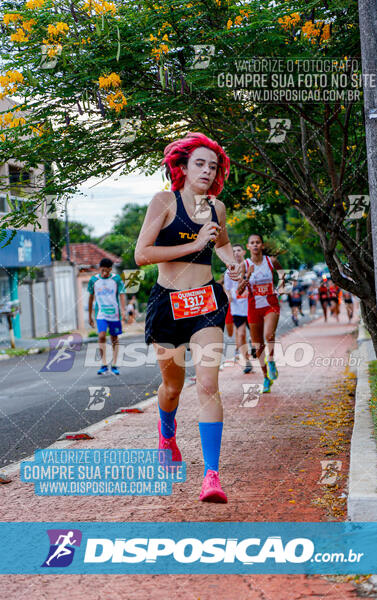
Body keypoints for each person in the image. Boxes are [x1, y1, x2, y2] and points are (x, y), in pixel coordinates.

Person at [134, 132, 241, 503]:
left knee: (208, 384)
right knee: (173, 387)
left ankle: (212, 475)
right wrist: (195, 245)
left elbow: (223, 244)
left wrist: (234, 265)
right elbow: (142, 254)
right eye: (200, 163)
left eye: (213, 166)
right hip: (168, 304)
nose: (207, 171)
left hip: (207, 303)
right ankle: (167, 432)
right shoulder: (164, 201)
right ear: (181, 167)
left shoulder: (218, 208)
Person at [236, 233, 283, 394]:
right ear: (248, 247)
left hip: (271, 304)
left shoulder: (272, 261)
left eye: (258, 242)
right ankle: (265, 377)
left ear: (262, 245)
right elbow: (239, 290)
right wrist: (247, 276)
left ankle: (271, 361)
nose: (255, 245)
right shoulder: (245, 264)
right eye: (252, 243)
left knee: (269, 335)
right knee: (258, 346)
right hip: (253, 306)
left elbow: (283, 276)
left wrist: (281, 289)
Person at [88, 258, 126, 375]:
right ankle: (104, 364)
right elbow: (90, 298)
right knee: (101, 336)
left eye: (107, 271)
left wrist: (123, 310)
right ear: (100, 268)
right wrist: (90, 316)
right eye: (103, 270)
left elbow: (122, 294)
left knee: (114, 338)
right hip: (101, 313)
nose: (105, 273)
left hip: (114, 314)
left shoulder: (116, 279)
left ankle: (114, 364)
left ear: (111, 269)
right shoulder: (94, 280)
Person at [224, 243, 253, 374]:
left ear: (243, 252)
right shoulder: (229, 271)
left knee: (254, 334)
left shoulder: (250, 267)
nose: (236, 253)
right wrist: (229, 295)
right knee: (241, 334)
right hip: (238, 308)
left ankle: (254, 344)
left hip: (252, 306)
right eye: (233, 251)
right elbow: (227, 287)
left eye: (238, 250)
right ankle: (246, 361)